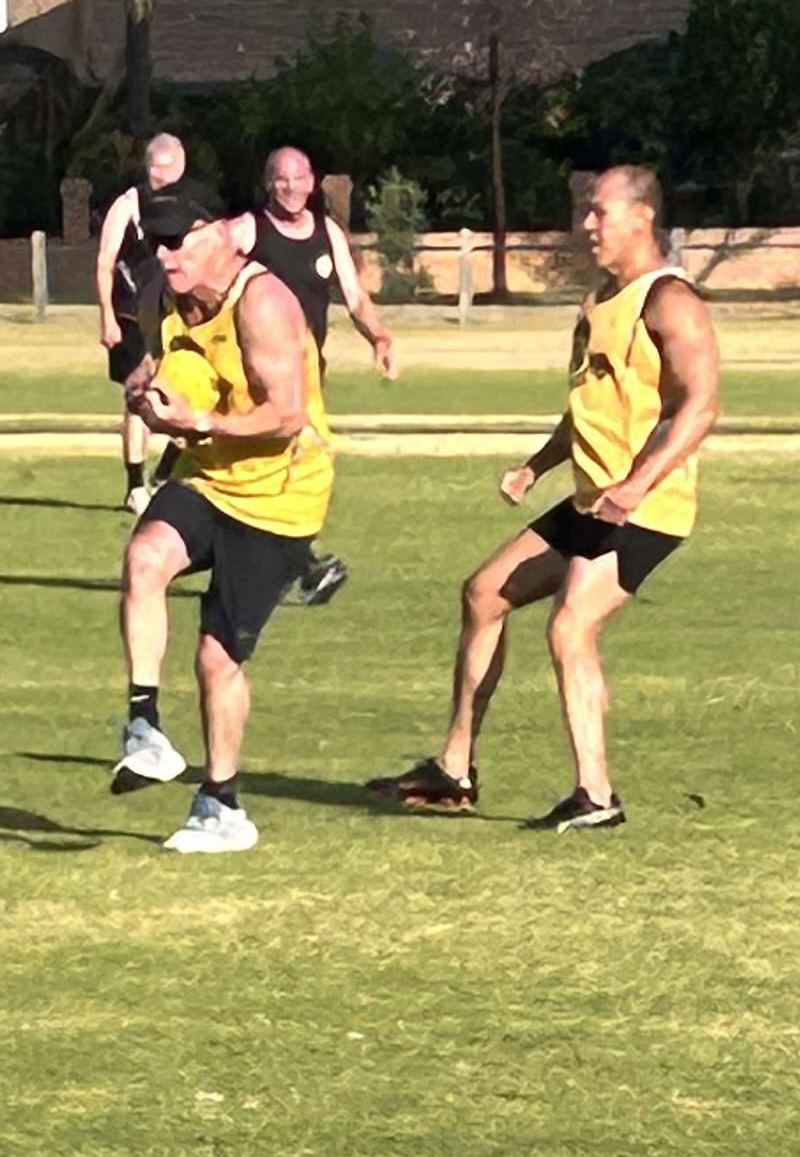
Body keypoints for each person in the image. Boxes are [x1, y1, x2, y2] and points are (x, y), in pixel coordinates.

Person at [369, 165, 719, 832]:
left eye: (599, 212)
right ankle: (454, 769)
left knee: (570, 625)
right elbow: (588, 406)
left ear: (642, 216)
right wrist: (536, 465)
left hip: (648, 507)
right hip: (594, 502)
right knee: (483, 593)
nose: (586, 225)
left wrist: (636, 485)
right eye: (585, 212)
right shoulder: (600, 301)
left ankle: (596, 796)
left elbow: (700, 407)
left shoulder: (670, 300)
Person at [109, 181, 335, 855]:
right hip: (209, 475)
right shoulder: (161, 295)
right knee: (143, 558)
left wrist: (201, 420)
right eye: (156, 243)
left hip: (279, 498)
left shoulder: (263, 303)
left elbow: (286, 415)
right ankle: (145, 727)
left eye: (176, 242)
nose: (164, 256)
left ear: (219, 233)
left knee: (217, 657)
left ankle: (222, 804)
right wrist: (149, 396)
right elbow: (163, 367)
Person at [243, 145, 398, 608]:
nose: (291, 187)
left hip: (308, 376)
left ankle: (293, 566)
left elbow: (355, 297)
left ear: (313, 182)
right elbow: (205, 266)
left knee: (296, 470)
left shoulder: (327, 232)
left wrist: (379, 338)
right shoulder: (249, 230)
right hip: (255, 376)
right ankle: (301, 565)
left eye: (299, 178)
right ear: (268, 183)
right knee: (272, 469)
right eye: (281, 178)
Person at [95, 134, 187, 511]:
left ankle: (165, 474)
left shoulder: (189, 207)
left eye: (167, 169)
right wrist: (106, 317)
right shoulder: (128, 205)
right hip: (131, 312)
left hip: (176, 314)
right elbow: (104, 262)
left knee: (186, 392)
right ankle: (135, 486)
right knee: (139, 394)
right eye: (154, 168)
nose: (158, 176)